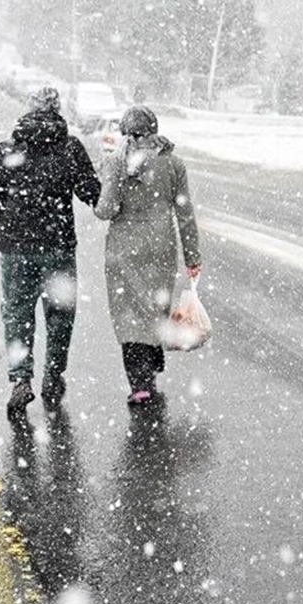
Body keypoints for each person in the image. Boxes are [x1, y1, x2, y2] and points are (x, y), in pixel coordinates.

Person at [0, 87, 101, 419]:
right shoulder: (70, 149)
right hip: (58, 247)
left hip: (17, 250)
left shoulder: (7, 150)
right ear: (58, 112)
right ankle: (53, 375)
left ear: (28, 111)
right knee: (60, 315)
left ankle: (20, 380)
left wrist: (4, 223)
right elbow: (92, 193)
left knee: (17, 314)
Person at [93, 106, 201, 407]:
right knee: (155, 307)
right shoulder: (173, 163)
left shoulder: (116, 162)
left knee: (129, 314)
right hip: (161, 244)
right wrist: (193, 255)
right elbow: (185, 212)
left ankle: (140, 384)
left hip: (125, 246)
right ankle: (151, 369)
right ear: (154, 128)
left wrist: (98, 197)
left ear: (125, 130)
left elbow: (106, 210)